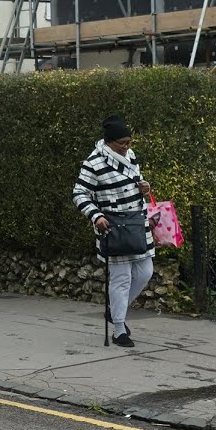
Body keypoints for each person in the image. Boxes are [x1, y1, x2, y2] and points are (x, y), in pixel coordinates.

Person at [71, 115, 154, 348]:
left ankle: (114, 311)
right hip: (113, 226)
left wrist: (145, 187)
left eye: (129, 142)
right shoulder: (94, 162)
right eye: (122, 143)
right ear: (109, 142)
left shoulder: (132, 156)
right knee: (121, 278)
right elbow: (79, 194)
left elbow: (136, 182)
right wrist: (96, 216)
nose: (127, 147)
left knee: (146, 271)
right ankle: (119, 329)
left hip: (137, 223)